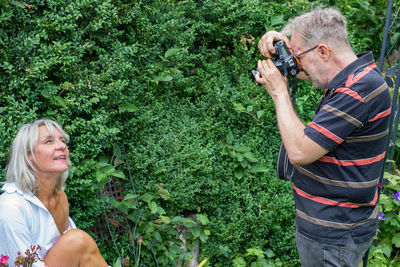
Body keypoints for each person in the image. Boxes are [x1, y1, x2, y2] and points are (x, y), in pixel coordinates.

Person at [256, 7, 391, 267]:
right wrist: (285, 42)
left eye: (298, 57)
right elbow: (312, 72)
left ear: (323, 51)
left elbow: (299, 152)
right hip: (338, 227)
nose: (296, 66)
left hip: (334, 236)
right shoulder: (356, 78)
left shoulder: (357, 92)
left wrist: (280, 94)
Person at [0, 119, 109, 267]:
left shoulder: (60, 197)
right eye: (48, 141)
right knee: (78, 240)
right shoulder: (10, 206)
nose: (62, 146)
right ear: (27, 157)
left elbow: (71, 256)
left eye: (62, 140)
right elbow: (22, 264)